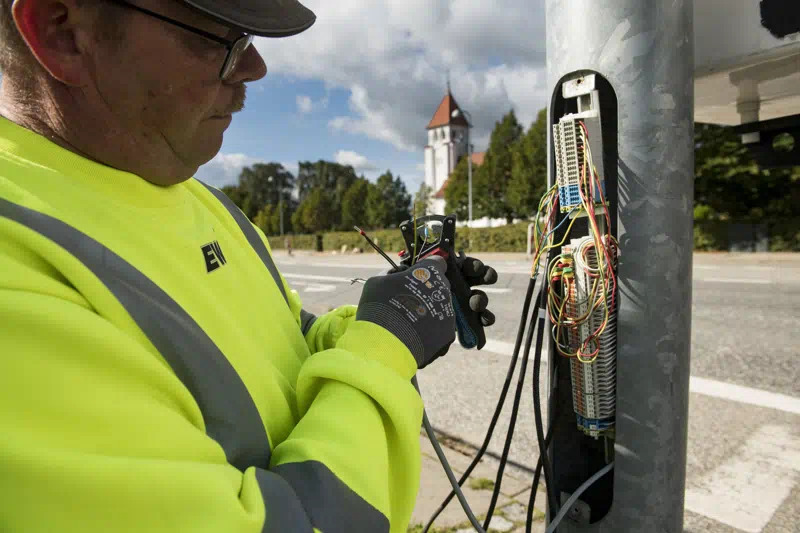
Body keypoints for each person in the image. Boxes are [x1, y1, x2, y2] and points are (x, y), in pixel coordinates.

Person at [0, 1, 498, 532]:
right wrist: (387, 343)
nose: (255, 67)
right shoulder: (19, 280)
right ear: (62, 32)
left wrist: (392, 311)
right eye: (219, 37)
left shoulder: (204, 201)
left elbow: (284, 348)